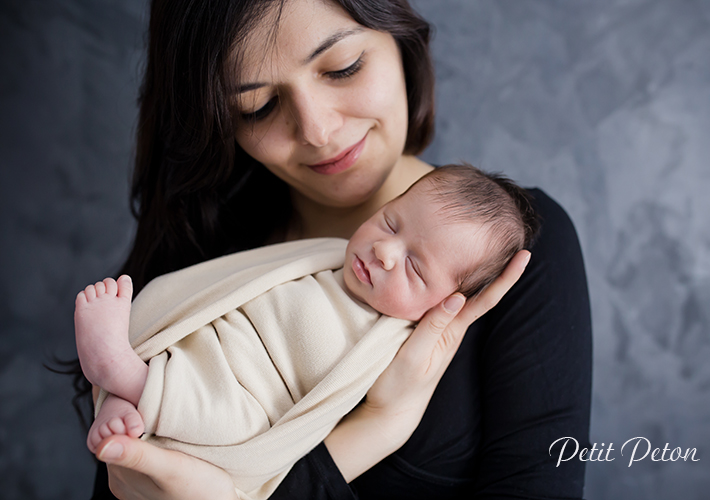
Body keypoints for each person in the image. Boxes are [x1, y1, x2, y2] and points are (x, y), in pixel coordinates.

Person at [80, 0, 592, 499]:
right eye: (258, 105)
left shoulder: (509, 259)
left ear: (399, 36)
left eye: (343, 68)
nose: (318, 131)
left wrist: (380, 425)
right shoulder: (210, 258)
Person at [76, 164, 539, 499]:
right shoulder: (327, 254)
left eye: (415, 269)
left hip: (254, 400)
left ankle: (124, 374)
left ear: (444, 305)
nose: (385, 251)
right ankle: (129, 383)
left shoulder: (390, 340)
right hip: (222, 344)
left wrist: (388, 417)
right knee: (187, 346)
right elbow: (235, 284)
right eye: (390, 222)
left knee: (226, 419)